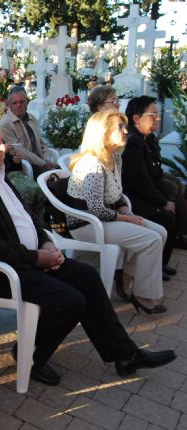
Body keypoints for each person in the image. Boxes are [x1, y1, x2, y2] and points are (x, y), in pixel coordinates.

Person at [0, 117, 176, 387]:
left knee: (87, 277)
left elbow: (28, 217)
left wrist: (45, 243)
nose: (4, 149)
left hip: (27, 258)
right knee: (69, 301)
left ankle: (125, 355)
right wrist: (36, 258)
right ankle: (29, 355)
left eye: (2, 142)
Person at [67, 110, 167, 313]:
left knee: (161, 232)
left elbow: (118, 194)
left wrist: (126, 212)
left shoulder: (115, 158)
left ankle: (125, 281)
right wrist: (126, 218)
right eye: (120, 127)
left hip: (108, 217)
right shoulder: (92, 165)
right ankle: (143, 295)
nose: (126, 131)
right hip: (86, 223)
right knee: (151, 239)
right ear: (103, 133)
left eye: (124, 126)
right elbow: (94, 209)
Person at [122, 96, 186, 279]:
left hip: (144, 191)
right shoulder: (132, 143)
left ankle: (162, 263)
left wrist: (168, 198)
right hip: (131, 197)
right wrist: (161, 201)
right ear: (136, 118)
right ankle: (154, 266)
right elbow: (140, 181)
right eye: (153, 114)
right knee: (166, 216)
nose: (158, 118)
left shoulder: (148, 138)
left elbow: (155, 174)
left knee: (178, 207)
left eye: (158, 114)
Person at [0, 103, 46, 217]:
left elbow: (11, 165)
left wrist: (16, 161)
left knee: (38, 189)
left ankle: (39, 223)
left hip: (11, 175)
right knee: (25, 193)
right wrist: (1, 151)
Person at [0, 86, 58, 176]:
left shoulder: (31, 118)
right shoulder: (5, 125)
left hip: (42, 162)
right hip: (27, 167)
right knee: (57, 180)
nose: (19, 105)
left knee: (64, 175)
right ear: (9, 104)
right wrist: (44, 163)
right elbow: (21, 152)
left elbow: (42, 143)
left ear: (27, 102)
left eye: (22, 102)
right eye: (15, 103)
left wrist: (47, 159)